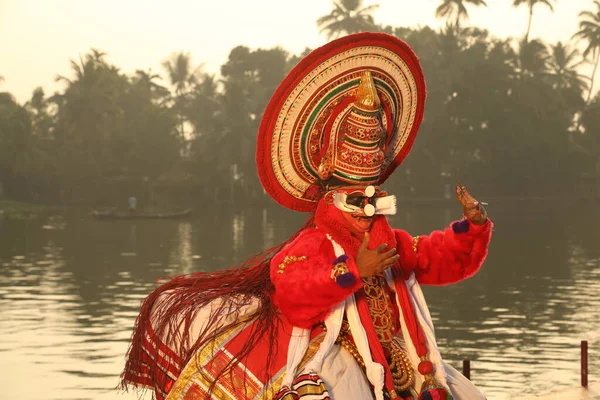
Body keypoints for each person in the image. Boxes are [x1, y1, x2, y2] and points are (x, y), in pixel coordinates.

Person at [120, 32, 492, 400]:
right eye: (355, 201)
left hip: (404, 364)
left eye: (373, 200)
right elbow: (294, 297)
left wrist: (473, 227)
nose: (366, 211)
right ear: (332, 199)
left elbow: (438, 257)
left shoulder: (392, 243)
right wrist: (353, 272)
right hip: (339, 361)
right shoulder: (314, 243)